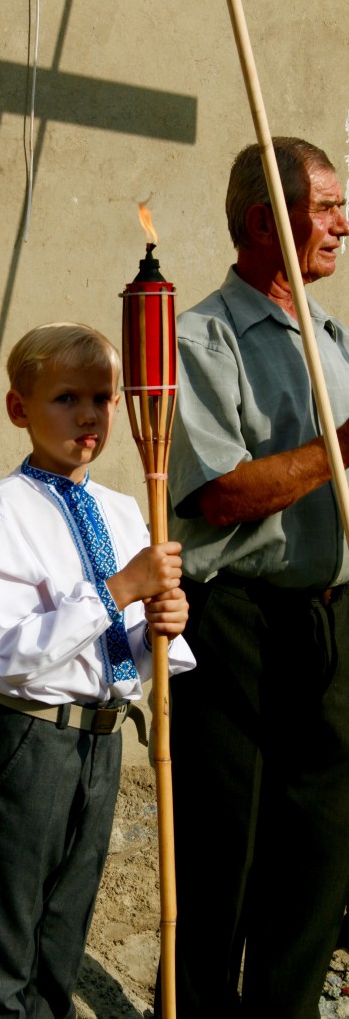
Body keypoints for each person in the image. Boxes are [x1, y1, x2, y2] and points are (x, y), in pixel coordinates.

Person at [163, 137, 349, 1019]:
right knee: (223, 847)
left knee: (319, 841)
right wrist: (338, 452)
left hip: (329, 619)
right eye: (323, 208)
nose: (343, 225)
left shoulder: (335, 340)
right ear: (261, 223)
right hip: (232, 621)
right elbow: (222, 494)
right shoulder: (200, 337)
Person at [0, 322, 194, 1019]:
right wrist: (120, 589)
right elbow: (16, 652)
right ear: (18, 410)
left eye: (103, 397)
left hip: (103, 735)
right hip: (31, 739)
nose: (88, 416)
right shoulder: (4, 510)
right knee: (10, 925)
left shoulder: (126, 510)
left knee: (66, 925)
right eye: (65, 398)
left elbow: (139, 646)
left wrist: (166, 623)